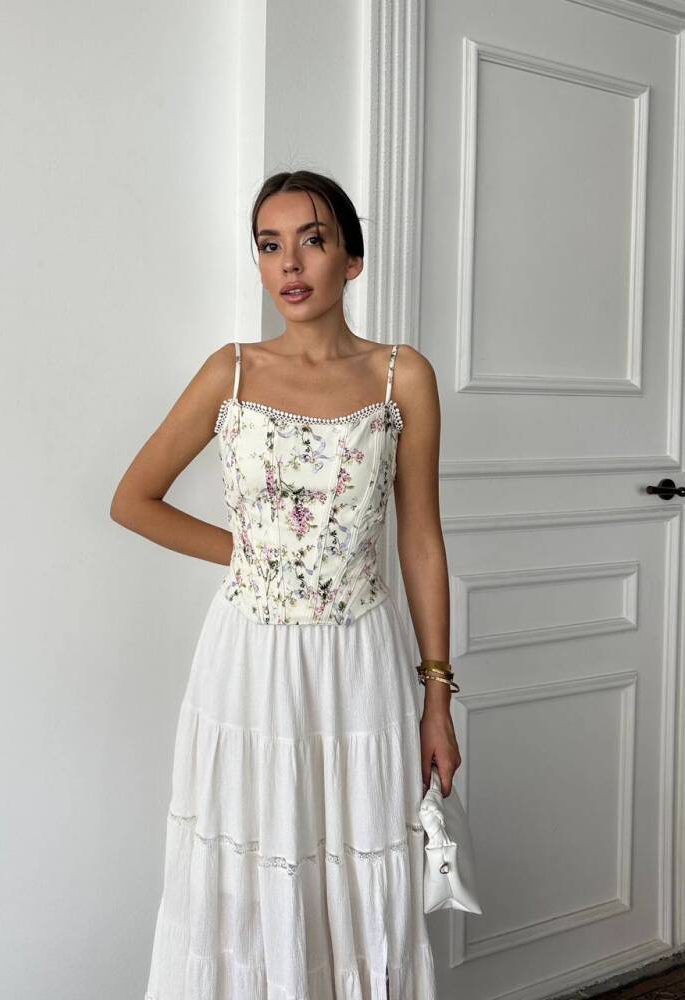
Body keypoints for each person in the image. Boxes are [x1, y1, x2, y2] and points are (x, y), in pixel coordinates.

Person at [110, 169, 459, 1000]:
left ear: (352, 260)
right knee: (250, 870)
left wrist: (437, 697)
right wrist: (254, 556)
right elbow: (134, 501)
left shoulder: (401, 376)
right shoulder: (229, 372)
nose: (290, 264)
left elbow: (419, 536)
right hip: (250, 662)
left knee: (354, 873)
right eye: (270, 246)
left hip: (358, 664)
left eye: (313, 240)